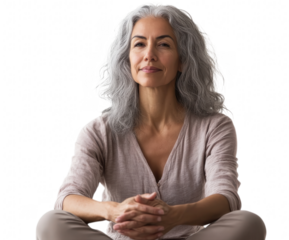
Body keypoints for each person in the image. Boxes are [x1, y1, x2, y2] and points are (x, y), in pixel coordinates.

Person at [35, 1, 266, 240]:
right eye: (139, 44)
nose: (149, 55)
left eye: (164, 44)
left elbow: (226, 199)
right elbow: (67, 199)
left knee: (248, 222)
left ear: (183, 60)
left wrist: (173, 216)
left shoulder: (214, 126)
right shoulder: (98, 131)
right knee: (50, 223)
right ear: (127, 59)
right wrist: (115, 210)